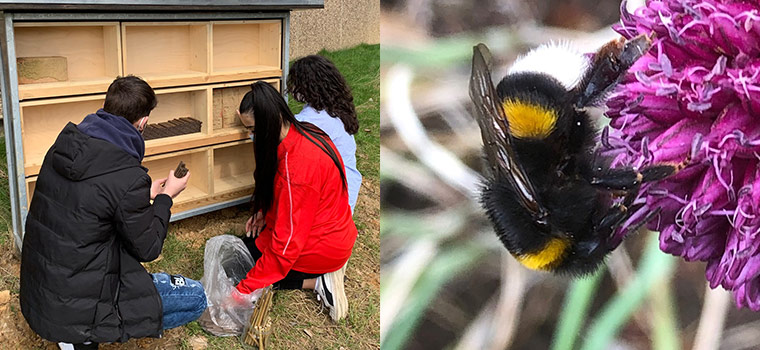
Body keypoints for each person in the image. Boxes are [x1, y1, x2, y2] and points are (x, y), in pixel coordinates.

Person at [19, 76, 207, 350]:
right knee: (196, 298)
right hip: (84, 303)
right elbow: (149, 248)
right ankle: (85, 334)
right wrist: (166, 198)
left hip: (43, 291)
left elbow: (89, 203)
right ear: (143, 123)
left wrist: (143, 195)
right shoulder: (126, 176)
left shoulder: (65, 145)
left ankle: (73, 335)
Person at [231, 81, 357, 322]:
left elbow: (286, 246)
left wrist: (242, 292)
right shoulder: (304, 130)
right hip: (329, 228)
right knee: (245, 249)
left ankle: (317, 281)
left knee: (246, 271)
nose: (252, 136)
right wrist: (264, 213)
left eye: (254, 130)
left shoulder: (297, 170)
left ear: (271, 120)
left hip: (323, 244)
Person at [287, 55, 362, 213]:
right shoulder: (336, 108)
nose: (293, 88)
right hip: (347, 189)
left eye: (296, 83)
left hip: (333, 204)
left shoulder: (311, 121)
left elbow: (282, 142)